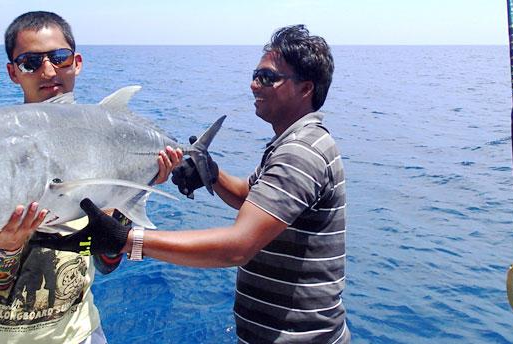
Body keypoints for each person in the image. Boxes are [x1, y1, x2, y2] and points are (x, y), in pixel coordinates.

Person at [35, 24, 350, 343]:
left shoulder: (300, 153)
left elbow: (237, 248)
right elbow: (250, 200)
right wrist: (211, 173)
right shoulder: (292, 143)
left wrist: (125, 239)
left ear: (305, 88)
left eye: (267, 77)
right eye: (255, 75)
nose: (255, 85)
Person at [0, 11, 182, 344]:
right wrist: (7, 246)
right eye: (30, 62)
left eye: (59, 58)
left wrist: (133, 192)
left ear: (76, 62)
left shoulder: (106, 140)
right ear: (13, 72)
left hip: (81, 335)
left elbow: (106, 264)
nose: (48, 71)